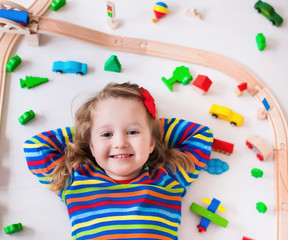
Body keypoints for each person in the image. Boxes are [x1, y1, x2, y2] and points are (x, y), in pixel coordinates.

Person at [24, 82, 213, 240]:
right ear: (91, 145)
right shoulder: (74, 179)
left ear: (151, 143)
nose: (120, 143)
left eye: (132, 132)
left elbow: (201, 136)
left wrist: (150, 127)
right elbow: (35, 147)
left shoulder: (169, 177)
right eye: (106, 134)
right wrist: (86, 132)